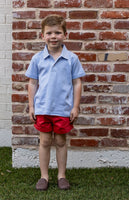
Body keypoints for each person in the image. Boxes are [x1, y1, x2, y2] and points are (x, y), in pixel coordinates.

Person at [25, 14, 85, 191]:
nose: (53, 36)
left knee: (60, 141)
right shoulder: (37, 59)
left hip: (63, 109)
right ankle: (44, 176)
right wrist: (32, 106)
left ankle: (61, 176)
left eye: (58, 32)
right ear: (42, 35)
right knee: (44, 142)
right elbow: (32, 83)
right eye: (49, 33)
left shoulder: (71, 59)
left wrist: (75, 106)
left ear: (65, 35)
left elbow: (77, 83)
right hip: (43, 108)